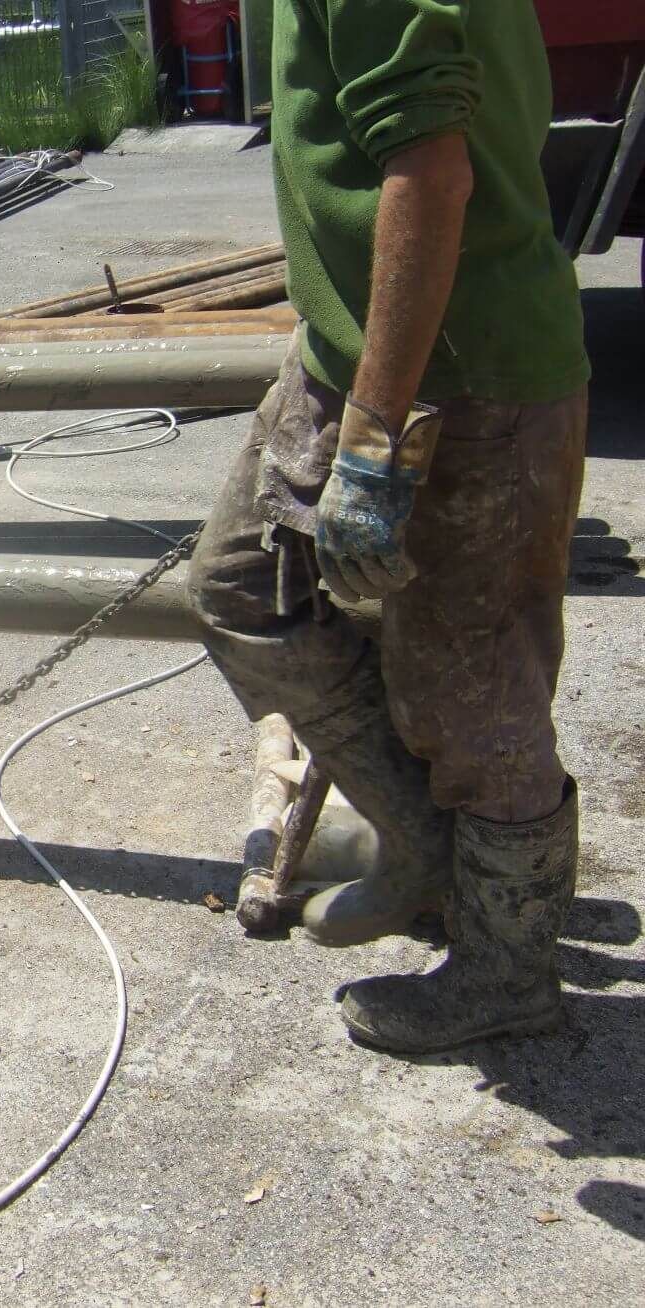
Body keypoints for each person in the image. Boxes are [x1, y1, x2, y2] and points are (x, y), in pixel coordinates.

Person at [188, 0, 590, 1054]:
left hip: (463, 378)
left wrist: (371, 441)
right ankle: (423, 849)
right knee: (242, 590)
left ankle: (506, 976)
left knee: (473, 695)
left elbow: (432, 173)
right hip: (354, 350)